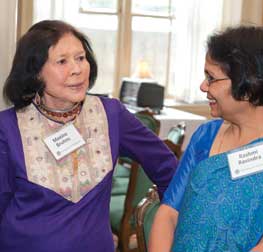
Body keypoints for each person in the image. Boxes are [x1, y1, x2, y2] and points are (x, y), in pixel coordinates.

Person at [0, 20, 178, 252]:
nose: (77, 69)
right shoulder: (8, 127)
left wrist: (168, 220)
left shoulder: (110, 114)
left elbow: (167, 166)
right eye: (62, 61)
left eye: (81, 58)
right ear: (35, 73)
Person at [149, 25, 263, 252]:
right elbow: (169, 212)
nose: (203, 86)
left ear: (249, 85)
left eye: (211, 78)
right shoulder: (205, 136)